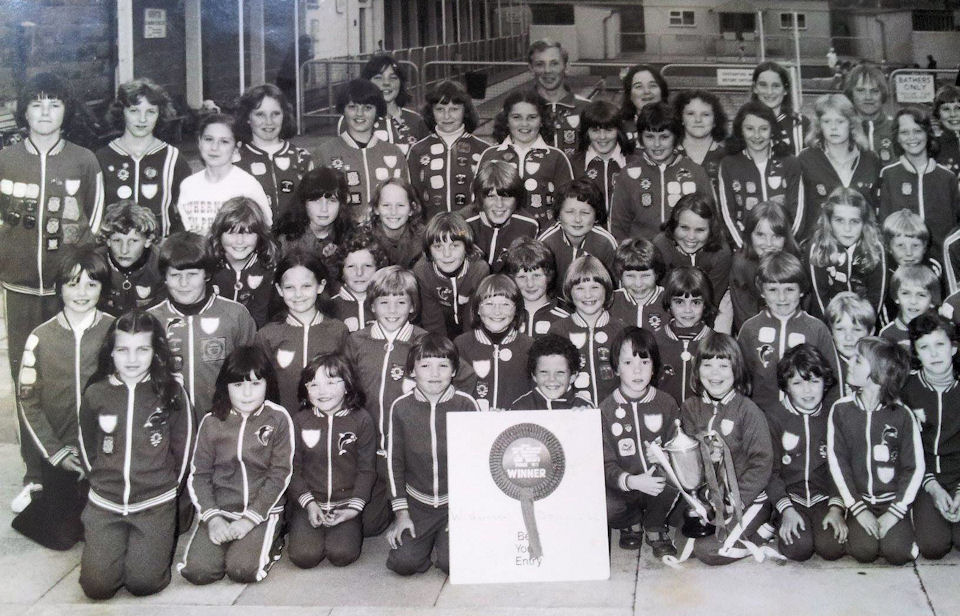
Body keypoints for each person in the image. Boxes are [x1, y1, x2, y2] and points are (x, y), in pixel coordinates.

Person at [1, 73, 104, 511]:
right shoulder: (5, 159)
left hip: (70, 292)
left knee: (77, 379)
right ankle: (36, 474)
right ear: (24, 111)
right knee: (30, 383)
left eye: (55, 104)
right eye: (37, 104)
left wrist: (78, 282)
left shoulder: (84, 161)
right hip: (21, 289)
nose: (45, 112)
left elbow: (94, 227)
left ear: (66, 111)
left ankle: (87, 466)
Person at [77, 311, 192, 598]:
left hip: (154, 502)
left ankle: (145, 547)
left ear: (156, 353)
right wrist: (102, 481)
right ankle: (113, 544)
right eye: (123, 350)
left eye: (142, 349)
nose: (132, 359)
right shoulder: (97, 393)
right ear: (111, 352)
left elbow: (184, 444)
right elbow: (86, 441)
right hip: (106, 503)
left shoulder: (171, 392)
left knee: (144, 584)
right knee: (96, 587)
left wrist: (166, 488)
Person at [13, 246, 114, 547]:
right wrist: (57, 453)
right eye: (72, 284)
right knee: (63, 538)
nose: (81, 293)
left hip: (104, 450)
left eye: (91, 284)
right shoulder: (40, 337)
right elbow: (28, 402)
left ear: (102, 288)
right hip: (62, 453)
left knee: (99, 528)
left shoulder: (115, 330)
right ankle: (41, 498)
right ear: (59, 288)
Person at [179, 346, 294, 584]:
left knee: (242, 570)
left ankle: (273, 538)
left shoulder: (278, 418)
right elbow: (199, 475)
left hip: (262, 511)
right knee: (198, 572)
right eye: (238, 385)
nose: (247, 393)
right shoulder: (211, 422)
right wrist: (212, 518)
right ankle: (225, 537)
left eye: (255, 384)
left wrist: (251, 519)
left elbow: (280, 474)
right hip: (220, 510)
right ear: (225, 387)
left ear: (268, 384)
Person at [385, 334, 480, 575]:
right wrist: (402, 515)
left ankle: (444, 545)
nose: (434, 374)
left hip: (455, 504)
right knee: (404, 563)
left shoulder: (466, 405)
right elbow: (394, 463)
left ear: (454, 370)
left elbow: (476, 463)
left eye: (443, 366)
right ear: (412, 371)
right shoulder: (401, 407)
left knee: (454, 565)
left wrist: (465, 512)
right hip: (418, 506)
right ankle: (426, 544)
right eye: (425, 366)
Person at [678, 332, 774, 566]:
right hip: (711, 501)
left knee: (708, 552)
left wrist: (736, 499)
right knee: (682, 545)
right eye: (707, 365)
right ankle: (743, 532)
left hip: (748, 500)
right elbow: (689, 462)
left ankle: (761, 532)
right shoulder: (691, 408)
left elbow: (762, 462)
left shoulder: (748, 411)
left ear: (736, 370)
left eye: (723, 365)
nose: (714, 373)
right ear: (697, 370)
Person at [827, 337, 923, 565]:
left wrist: (896, 512)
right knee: (863, 552)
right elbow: (837, 463)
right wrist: (858, 509)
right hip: (859, 501)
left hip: (892, 502)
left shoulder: (902, 415)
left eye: (858, 361)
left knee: (898, 554)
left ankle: (905, 529)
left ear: (879, 373)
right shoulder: (840, 410)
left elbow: (914, 467)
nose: (850, 362)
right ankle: (863, 532)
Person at [148, 232, 257, 420]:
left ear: (206, 274)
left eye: (192, 274)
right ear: (165, 277)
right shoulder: (151, 320)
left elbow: (253, 374)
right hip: (168, 427)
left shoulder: (235, 315)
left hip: (223, 423)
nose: (183, 283)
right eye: (175, 275)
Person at [287, 352, 376, 569]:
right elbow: (292, 469)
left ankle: (347, 526)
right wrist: (308, 504)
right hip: (310, 503)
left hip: (346, 504)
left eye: (331, 382)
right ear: (305, 390)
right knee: (303, 557)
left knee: (342, 554)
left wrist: (354, 508)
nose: (322, 391)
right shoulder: (299, 421)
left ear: (347, 386)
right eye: (313, 384)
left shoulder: (361, 419)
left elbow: (367, 470)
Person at [600, 326, 680, 555]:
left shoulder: (666, 403)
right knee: (605, 505)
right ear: (616, 368)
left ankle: (655, 525)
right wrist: (631, 481)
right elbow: (604, 463)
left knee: (676, 481)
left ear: (654, 367)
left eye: (644, 362)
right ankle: (631, 522)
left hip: (657, 484)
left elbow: (678, 445)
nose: (637, 371)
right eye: (627, 363)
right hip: (624, 485)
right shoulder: (606, 409)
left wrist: (666, 455)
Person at [766, 344, 846, 561]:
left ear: (825, 382)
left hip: (823, 498)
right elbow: (769, 471)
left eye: (814, 381)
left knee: (832, 549)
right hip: (790, 499)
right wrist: (786, 510)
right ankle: (775, 523)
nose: (807, 391)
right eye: (798, 383)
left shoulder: (833, 417)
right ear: (787, 387)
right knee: (799, 550)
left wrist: (837, 508)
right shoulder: (774, 418)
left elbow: (839, 468)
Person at [737, 251, 839, 413]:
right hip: (762, 418)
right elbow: (740, 380)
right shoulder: (750, 329)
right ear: (762, 291)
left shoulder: (817, 329)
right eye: (773, 290)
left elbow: (834, 383)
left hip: (806, 420)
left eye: (789, 289)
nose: (782, 298)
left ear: (802, 290)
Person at [255, 250, 349, 416]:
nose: (298, 294)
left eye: (306, 286)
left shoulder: (338, 330)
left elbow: (348, 383)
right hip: (284, 425)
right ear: (279, 289)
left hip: (328, 426)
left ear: (320, 286)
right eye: (290, 287)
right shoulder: (267, 335)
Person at [97, 78, 190, 236]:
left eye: (150, 112)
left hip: (160, 252)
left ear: (160, 114)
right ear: (122, 112)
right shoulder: (102, 158)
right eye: (134, 111)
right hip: (116, 252)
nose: (142, 119)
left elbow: (186, 211)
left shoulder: (173, 158)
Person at [608, 102, 713, 243]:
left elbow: (710, 221)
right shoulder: (628, 175)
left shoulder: (696, 173)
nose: (657, 144)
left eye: (664, 137)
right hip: (642, 257)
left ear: (675, 137)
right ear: (641, 138)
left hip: (684, 254)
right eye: (650, 137)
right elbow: (618, 227)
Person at [901, 313, 960, 559]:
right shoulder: (907, 389)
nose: (934, 354)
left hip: (958, 476)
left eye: (940, 345)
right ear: (915, 353)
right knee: (934, 547)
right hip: (924, 479)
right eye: (924, 347)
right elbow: (904, 450)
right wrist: (932, 486)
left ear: (954, 348)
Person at [312, 79, 410, 223]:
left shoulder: (394, 153)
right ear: (343, 110)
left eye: (367, 107)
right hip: (340, 237)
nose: (359, 114)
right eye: (352, 107)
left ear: (377, 111)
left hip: (386, 237)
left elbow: (405, 200)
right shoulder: (323, 153)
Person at [478, 90, 574, 229]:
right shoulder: (490, 155)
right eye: (517, 117)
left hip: (543, 237)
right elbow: (478, 202)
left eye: (532, 117)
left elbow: (568, 204)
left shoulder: (556, 157)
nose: (524, 124)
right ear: (506, 120)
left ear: (542, 121)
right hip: (500, 236)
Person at [718, 101, 803, 248]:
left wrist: (786, 245)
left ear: (772, 130)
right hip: (745, 249)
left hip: (782, 249)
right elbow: (727, 214)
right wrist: (745, 248)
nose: (757, 136)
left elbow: (798, 211)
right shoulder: (729, 164)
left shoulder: (790, 163)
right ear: (740, 130)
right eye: (750, 129)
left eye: (763, 129)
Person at [797, 94, 880, 241]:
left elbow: (876, 207)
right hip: (820, 243)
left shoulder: (870, 159)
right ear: (818, 125)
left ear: (851, 123)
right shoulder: (805, 159)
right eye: (827, 121)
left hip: (863, 243)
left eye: (840, 121)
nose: (833, 127)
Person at [879, 107, 960, 252]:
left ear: (928, 134)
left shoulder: (947, 177)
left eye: (918, 131)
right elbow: (884, 226)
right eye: (904, 132)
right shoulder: (888, 175)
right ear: (896, 137)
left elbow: (955, 228)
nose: (912, 137)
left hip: (942, 262)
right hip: (903, 263)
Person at [548, 255, 626, 405]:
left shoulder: (621, 330)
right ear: (569, 291)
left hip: (615, 415)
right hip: (574, 414)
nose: (588, 295)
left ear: (607, 289)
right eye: (580, 288)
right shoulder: (558, 331)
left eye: (595, 287)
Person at [176, 114, 270, 235]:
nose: (214, 147)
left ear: (236, 147)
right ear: (199, 142)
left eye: (224, 141)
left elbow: (265, 229)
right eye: (208, 139)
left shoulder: (248, 185)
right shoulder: (188, 185)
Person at [407, 80, 488, 218]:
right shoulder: (417, 150)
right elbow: (413, 197)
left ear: (465, 111)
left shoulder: (483, 150)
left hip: (471, 230)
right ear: (431, 111)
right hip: (431, 230)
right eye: (440, 109)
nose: (447, 116)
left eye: (454, 109)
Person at [806, 187, 886, 321]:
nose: (847, 229)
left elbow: (876, 297)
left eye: (854, 221)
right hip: (828, 321)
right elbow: (820, 299)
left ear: (864, 223)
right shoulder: (818, 247)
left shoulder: (875, 247)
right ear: (829, 222)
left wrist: (862, 329)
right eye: (839, 220)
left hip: (864, 323)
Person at [234, 84, 313, 221]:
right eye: (260, 114)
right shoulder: (235, 160)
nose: (269, 122)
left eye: (275, 114)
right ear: (248, 118)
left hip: (296, 239)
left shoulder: (302, 158)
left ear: (284, 115)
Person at [455, 275, 533, 412]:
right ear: (478, 309)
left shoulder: (529, 346)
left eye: (505, 304)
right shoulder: (461, 345)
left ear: (516, 310)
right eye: (489, 304)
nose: (497, 311)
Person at [413, 212, 490, 340]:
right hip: (440, 327)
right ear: (429, 250)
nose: (447, 254)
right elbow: (432, 322)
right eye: (438, 246)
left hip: (471, 329)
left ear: (466, 247)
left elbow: (473, 319)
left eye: (454, 246)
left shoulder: (479, 270)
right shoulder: (422, 272)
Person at [728, 201, 801, 332]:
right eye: (760, 235)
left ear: (786, 237)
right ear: (749, 235)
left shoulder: (795, 262)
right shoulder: (741, 265)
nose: (769, 244)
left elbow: (803, 309)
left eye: (776, 236)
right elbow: (744, 315)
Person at [653, 193, 732, 311]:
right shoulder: (660, 246)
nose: (691, 237)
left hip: (708, 310)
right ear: (674, 225)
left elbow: (712, 301)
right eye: (684, 228)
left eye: (700, 230)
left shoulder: (721, 252)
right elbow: (660, 296)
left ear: (711, 230)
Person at [208, 197, 279, 329]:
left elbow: (260, 313)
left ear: (259, 235)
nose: (240, 241)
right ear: (219, 234)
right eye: (231, 233)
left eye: (249, 233)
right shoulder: (208, 263)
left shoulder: (266, 266)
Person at [339, 54, 428, 155]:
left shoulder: (416, 121)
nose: (386, 83)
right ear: (366, 82)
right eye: (378, 78)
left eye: (393, 77)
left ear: (401, 83)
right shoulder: (353, 119)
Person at [653, 266, 715, 405]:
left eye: (696, 302)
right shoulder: (655, 341)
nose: (688, 310)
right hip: (665, 419)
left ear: (705, 304)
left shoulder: (716, 342)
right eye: (679, 302)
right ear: (669, 303)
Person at [463, 160, 538, 269]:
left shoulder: (528, 226)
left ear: (517, 198)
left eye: (507, 197)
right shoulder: (463, 223)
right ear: (480, 197)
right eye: (491, 196)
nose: (499, 204)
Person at [538, 177, 618, 278]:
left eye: (585, 213)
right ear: (558, 215)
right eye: (570, 212)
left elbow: (613, 285)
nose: (577, 219)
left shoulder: (606, 243)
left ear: (596, 216)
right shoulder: (546, 243)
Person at [96, 200, 165, 316]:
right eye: (117, 240)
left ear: (148, 240)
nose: (124, 250)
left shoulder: (161, 264)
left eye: (133, 241)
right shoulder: (95, 263)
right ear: (108, 241)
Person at [527, 39, 591, 158]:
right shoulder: (516, 111)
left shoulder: (587, 109)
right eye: (540, 64)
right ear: (531, 69)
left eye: (554, 63)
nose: (547, 70)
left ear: (566, 67)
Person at [569, 99, 632, 217]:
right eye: (595, 130)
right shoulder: (573, 164)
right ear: (586, 133)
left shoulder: (634, 162)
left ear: (619, 131)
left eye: (609, 130)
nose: (602, 137)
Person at [274, 166, 348, 260]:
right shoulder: (284, 242)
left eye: (332, 201)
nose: (324, 209)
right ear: (303, 202)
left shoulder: (350, 239)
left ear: (341, 204)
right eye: (316, 200)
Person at [501, 238, 569, 337]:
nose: (530, 284)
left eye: (536, 276)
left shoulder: (565, 319)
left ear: (548, 276)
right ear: (512, 279)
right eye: (522, 277)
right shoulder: (503, 316)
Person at [510, 333, 593, 409]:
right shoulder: (521, 407)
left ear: (572, 376)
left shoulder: (584, 406)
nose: (552, 380)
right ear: (534, 375)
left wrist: (588, 419)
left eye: (560, 373)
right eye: (544, 372)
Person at [330, 227, 389, 331]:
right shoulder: (330, 307)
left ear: (378, 268)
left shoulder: (389, 305)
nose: (359, 273)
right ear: (341, 270)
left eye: (367, 266)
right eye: (351, 266)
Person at [608, 237, 669, 333]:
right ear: (620, 275)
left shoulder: (669, 301)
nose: (638, 284)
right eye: (630, 276)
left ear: (657, 274)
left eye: (645, 276)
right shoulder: (610, 301)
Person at [826, 292, 877, 399]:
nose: (848, 337)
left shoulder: (878, 368)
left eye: (857, 330)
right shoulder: (826, 367)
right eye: (840, 329)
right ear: (830, 331)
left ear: (871, 332)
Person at [750, 61, 808, 157]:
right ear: (755, 88)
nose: (769, 92)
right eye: (763, 85)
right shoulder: (743, 124)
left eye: (776, 86)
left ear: (785, 90)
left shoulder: (801, 124)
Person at [674, 90, 728, 190]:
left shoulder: (727, 157)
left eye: (705, 114)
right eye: (690, 114)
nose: (698, 120)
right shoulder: (670, 155)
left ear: (715, 120)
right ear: (681, 118)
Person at [844, 64, 896, 164]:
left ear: (883, 94)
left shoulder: (896, 128)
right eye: (860, 91)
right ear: (851, 93)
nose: (868, 97)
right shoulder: (841, 129)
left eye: (875, 91)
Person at [368, 178, 424, 268]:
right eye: (386, 205)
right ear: (376, 208)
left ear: (411, 209)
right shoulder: (364, 239)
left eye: (400, 205)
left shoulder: (425, 238)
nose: (393, 212)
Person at [879, 264, 940, 347]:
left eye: (921, 295)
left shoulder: (940, 330)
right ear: (896, 297)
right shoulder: (887, 334)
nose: (913, 301)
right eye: (906, 293)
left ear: (932, 301)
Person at [619, 64, 668, 146]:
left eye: (652, 85)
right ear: (629, 94)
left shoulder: (678, 124)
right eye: (638, 87)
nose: (646, 91)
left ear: (662, 91)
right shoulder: (619, 127)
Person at [933, 85, 960, 175]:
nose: (953, 114)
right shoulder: (932, 146)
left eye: (958, 108)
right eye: (946, 109)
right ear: (938, 114)